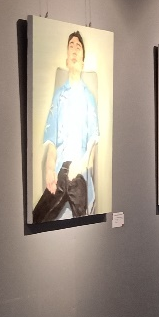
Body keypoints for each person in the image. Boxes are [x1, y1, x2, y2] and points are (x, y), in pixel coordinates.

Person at [34, 30, 100, 222]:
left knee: (82, 220)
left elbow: (92, 145)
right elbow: (51, 141)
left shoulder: (88, 98)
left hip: (79, 171)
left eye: (78, 47)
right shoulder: (59, 96)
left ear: (82, 62)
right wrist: (49, 168)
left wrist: (78, 166)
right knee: (38, 218)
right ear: (67, 59)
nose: (74, 49)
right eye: (71, 46)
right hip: (60, 169)